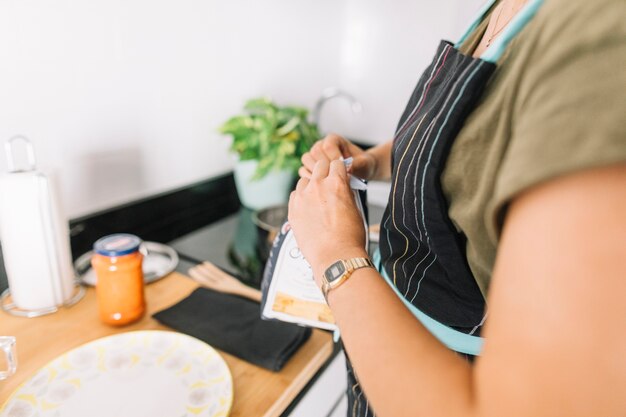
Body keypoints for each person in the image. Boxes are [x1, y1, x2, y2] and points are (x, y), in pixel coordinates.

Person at [287, 0, 626, 416]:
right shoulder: (503, 8)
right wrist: (373, 161)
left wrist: (335, 254)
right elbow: (471, 144)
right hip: (387, 351)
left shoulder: (604, 35)